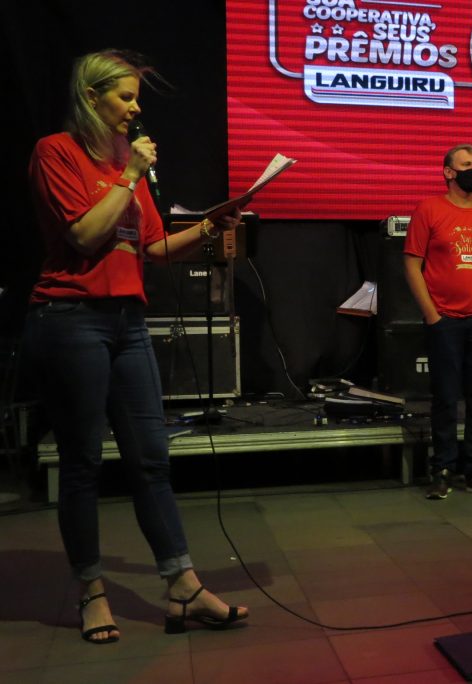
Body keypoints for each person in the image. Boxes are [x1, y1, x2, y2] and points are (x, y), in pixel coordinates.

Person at [22, 50, 248, 644]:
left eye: (135, 97)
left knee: (151, 458)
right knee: (82, 463)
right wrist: (129, 176)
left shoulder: (129, 163)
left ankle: (182, 586)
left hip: (128, 322)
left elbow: (150, 248)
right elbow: (83, 234)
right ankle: (91, 591)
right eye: (125, 96)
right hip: (70, 319)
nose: (135, 107)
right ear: (91, 97)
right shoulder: (57, 152)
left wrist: (211, 226)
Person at [404, 144, 472, 500]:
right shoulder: (429, 209)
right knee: (446, 398)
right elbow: (412, 264)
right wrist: (431, 315)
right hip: (444, 320)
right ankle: (443, 469)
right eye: (467, 164)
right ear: (449, 172)